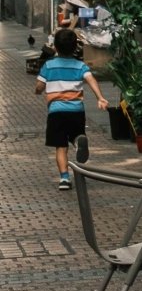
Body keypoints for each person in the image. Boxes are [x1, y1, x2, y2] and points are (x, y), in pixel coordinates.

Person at [38, 27, 109, 190]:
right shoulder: (80, 66)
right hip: (76, 110)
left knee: (60, 146)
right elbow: (91, 80)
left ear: (55, 47)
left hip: (56, 111)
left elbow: (40, 85)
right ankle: (78, 141)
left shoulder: (49, 66)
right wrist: (100, 97)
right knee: (76, 133)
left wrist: (38, 89)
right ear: (75, 47)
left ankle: (64, 178)